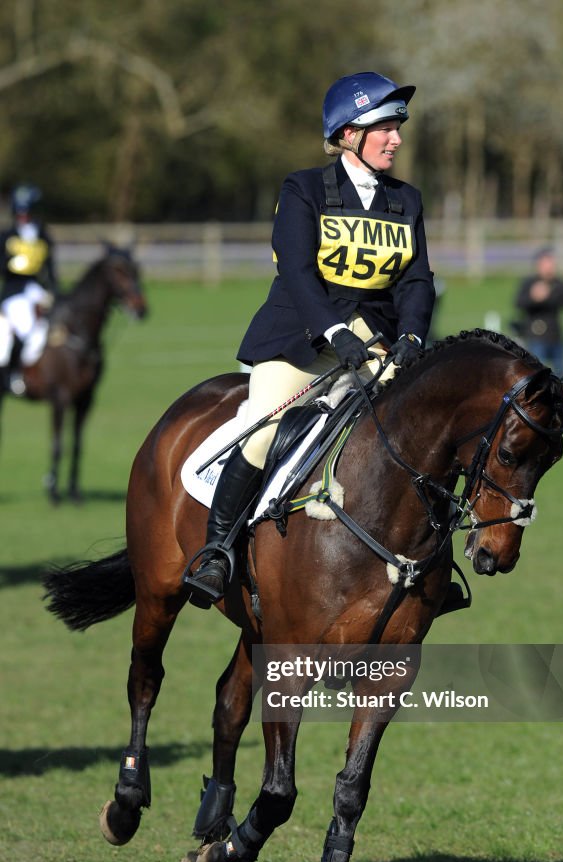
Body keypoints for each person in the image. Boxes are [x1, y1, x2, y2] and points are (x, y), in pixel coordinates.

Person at [184, 71, 436, 609]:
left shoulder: (407, 200)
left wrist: (413, 334)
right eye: (384, 127)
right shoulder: (303, 189)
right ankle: (216, 551)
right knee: (264, 426)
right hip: (300, 337)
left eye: (398, 127)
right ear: (348, 135)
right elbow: (298, 273)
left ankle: (427, 560)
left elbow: (417, 279)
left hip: (373, 338)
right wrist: (336, 332)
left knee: (423, 425)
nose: (396, 137)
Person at [0, 184, 58, 389]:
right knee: (28, 329)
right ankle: (15, 374)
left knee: (59, 321)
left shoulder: (42, 236)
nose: (24, 215)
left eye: (27, 211)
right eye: (20, 211)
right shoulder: (7, 237)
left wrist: (54, 292)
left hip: (36, 290)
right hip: (14, 292)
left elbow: (50, 270)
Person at [513, 246, 563, 380]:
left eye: (552, 263)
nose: (550, 267)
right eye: (547, 263)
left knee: (562, 378)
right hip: (536, 338)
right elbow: (519, 303)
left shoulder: (558, 284)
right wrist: (534, 297)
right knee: (537, 378)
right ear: (539, 264)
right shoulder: (530, 283)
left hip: (556, 338)